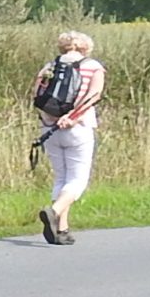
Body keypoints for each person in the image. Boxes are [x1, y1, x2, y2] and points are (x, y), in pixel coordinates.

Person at [34, 30, 105, 246]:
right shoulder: (93, 67)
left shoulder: (50, 67)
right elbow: (94, 95)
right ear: (86, 48)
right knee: (77, 180)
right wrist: (72, 117)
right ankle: (54, 211)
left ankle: (61, 229)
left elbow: (36, 96)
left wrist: (50, 120)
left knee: (61, 178)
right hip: (78, 128)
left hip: (50, 129)